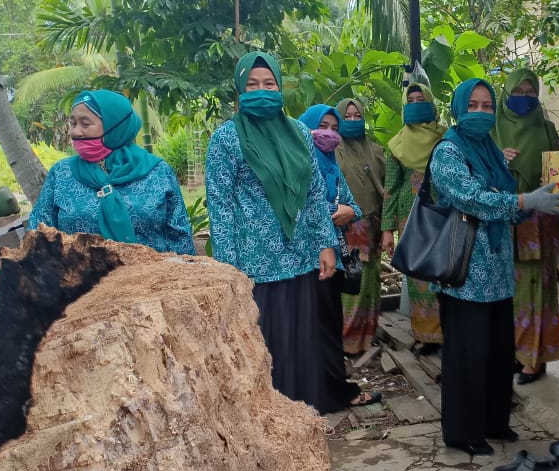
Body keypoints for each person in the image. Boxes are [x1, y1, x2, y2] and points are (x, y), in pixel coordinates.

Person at [430, 78, 559, 457]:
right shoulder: (448, 151)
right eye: (471, 106)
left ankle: (494, 422)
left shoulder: (489, 149)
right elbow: (470, 198)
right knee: (467, 355)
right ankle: (464, 432)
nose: (480, 113)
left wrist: (522, 200)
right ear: (458, 109)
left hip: (497, 272)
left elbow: (501, 197)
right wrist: (524, 200)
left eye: (486, 106)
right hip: (464, 274)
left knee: (496, 354)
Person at [205, 52, 338, 410]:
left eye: (269, 84)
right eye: (252, 84)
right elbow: (220, 206)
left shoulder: (298, 133)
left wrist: (326, 243)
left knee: (301, 338)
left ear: (280, 86)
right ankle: (269, 415)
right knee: (263, 338)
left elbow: (313, 191)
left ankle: (305, 413)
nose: (261, 90)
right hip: (254, 262)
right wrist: (229, 269)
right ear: (239, 89)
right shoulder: (227, 138)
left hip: (299, 253)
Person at [29, 90, 194, 255]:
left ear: (115, 127)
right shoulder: (61, 173)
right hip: (80, 278)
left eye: (85, 124)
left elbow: (179, 237)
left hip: (152, 278)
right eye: (73, 123)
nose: (75, 132)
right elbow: (38, 232)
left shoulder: (157, 171)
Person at [298, 103, 382, 414]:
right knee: (315, 328)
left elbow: (352, 205)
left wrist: (349, 212)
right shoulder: (300, 163)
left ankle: (332, 389)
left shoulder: (331, 164)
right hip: (306, 259)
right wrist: (332, 215)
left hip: (332, 258)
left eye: (335, 128)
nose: (330, 134)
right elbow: (300, 206)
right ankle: (328, 393)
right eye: (324, 126)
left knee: (328, 326)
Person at [492, 68, 559, 384]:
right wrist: (497, 161)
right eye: (517, 92)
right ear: (506, 94)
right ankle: (512, 353)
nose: (524, 98)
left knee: (535, 290)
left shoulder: (546, 129)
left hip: (538, 220)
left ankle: (533, 359)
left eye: (530, 92)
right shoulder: (491, 132)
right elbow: (476, 174)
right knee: (507, 290)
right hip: (502, 218)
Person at [382, 82, 445, 354]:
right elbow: (391, 188)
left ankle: (449, 332)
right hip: (410, 218)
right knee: (419, 278)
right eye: (412, 100)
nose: (417, 103)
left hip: (444, 214)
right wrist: (387, 229)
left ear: (431, 102)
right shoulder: (397, 144)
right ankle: (425, 336)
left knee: (447, 272)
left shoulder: (446, 138)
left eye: (422, 99)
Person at [334, 97, 386, 356]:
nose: (354, 121)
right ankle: (349, 341)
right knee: (353, 282)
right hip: (348, 228)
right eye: (348, 116)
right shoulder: (334, 150)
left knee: (371, 283)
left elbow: (385, 188)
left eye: (358, 116)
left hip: (373, 225)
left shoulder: (376, 151)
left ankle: (368, 336)